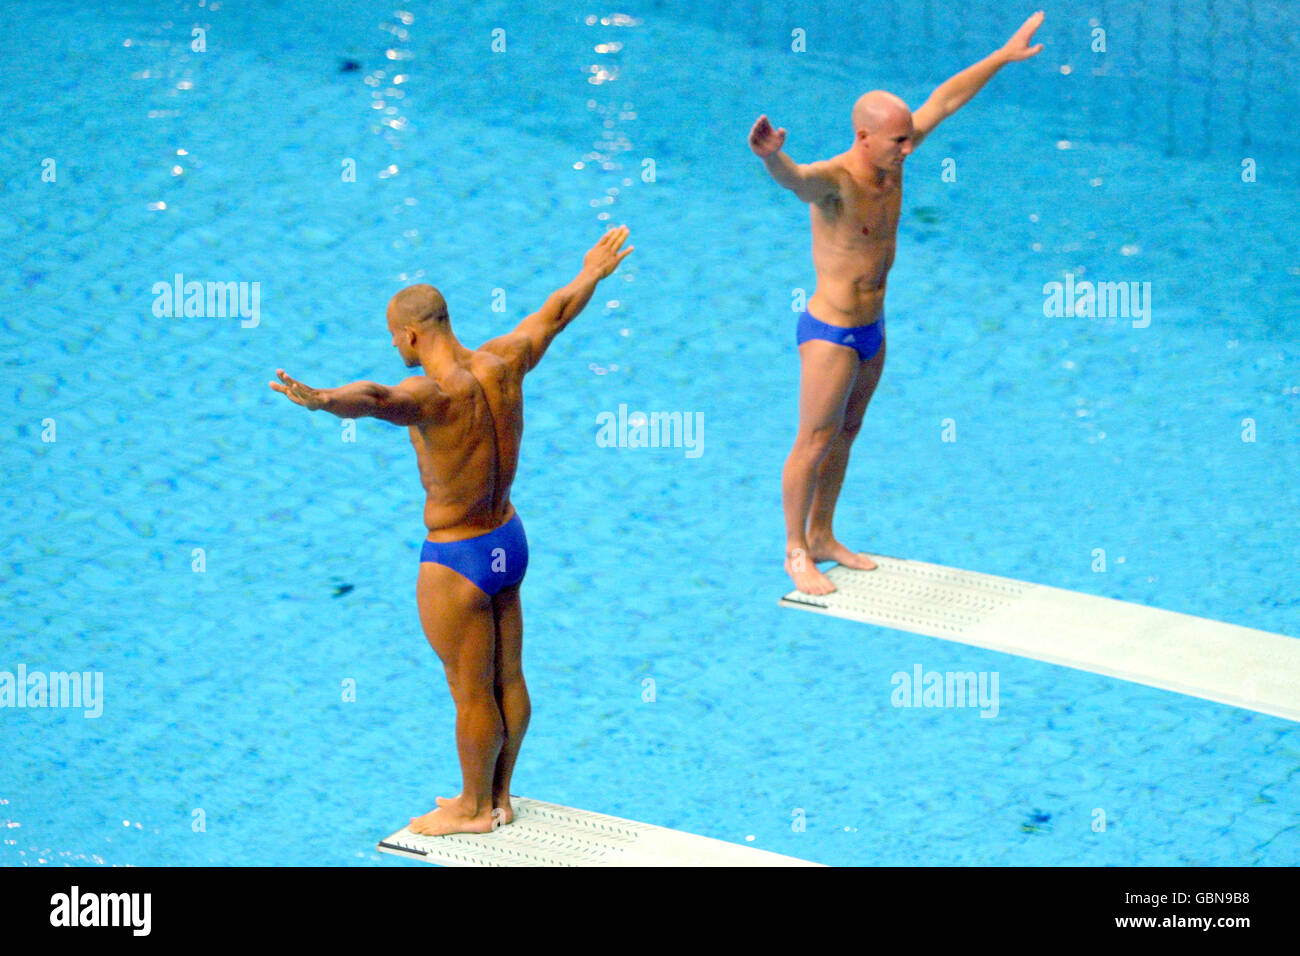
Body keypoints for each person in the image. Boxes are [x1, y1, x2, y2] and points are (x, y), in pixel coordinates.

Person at [270, 226, 633, 834]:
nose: (394, 345)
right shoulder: (505, 360)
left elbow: (375, 397)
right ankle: (500, 796)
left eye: (394, 335)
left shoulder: (432, 395)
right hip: (508, 543)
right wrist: (591, 271)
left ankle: (470, 808)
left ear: (411, 333)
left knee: (469, 692)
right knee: (507, 676)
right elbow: (555, 313)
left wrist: (323, 400)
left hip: (458, 557)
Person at [750, 12, 1045, 594]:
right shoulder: (838, 179)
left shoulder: (893, 161)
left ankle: (824, 535)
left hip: (872, 328)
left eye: (910, 138)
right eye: (899, 140)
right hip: (831, 331)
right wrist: (770, 157)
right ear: (865, 138)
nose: (911, 149)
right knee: (813, 440)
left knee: (848, 430)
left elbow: (946, 98)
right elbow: (797, 180)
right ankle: (793, 550)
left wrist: (1001, 56)